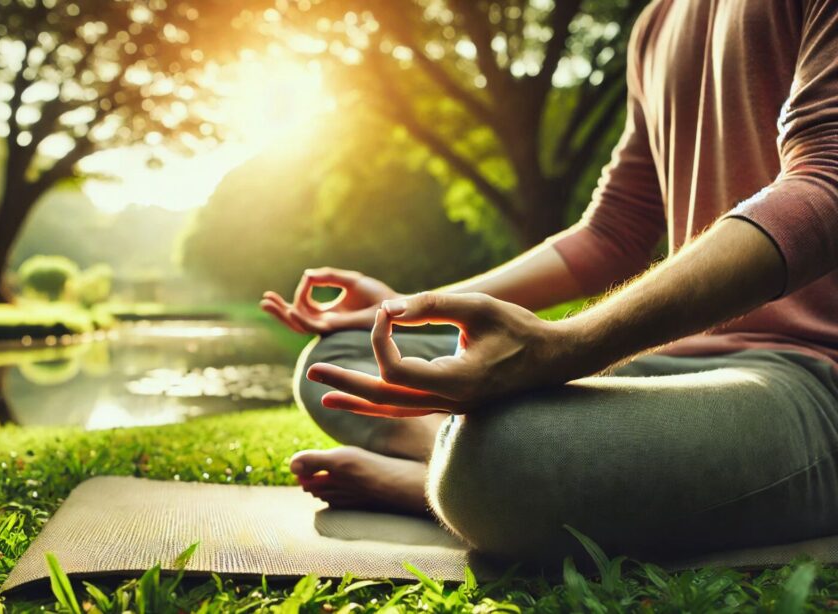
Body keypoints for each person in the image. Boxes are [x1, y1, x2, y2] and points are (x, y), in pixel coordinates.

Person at [261, 0, 838, 566]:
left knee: (510, 455)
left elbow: (825, 184)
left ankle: (435, 478)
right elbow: (611, 233)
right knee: (340, 356)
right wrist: (403, 309)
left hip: (813, 377)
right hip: (673, 357)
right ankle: (448, 459)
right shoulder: (657, 22)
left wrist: (571, 345)